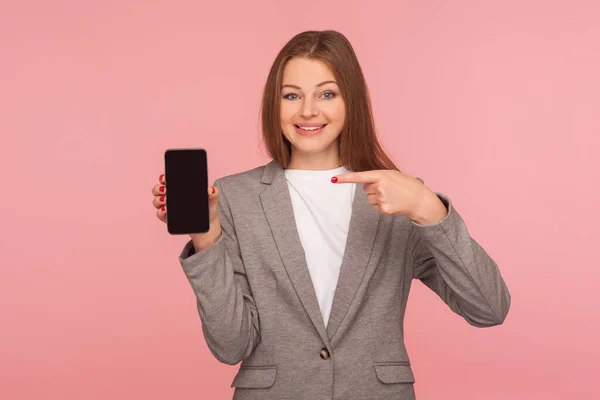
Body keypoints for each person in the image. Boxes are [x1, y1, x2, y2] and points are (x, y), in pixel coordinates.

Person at [151, 30, 510, 400]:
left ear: (350, 102)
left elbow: (488, 307)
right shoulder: (235, 197)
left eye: (327, 94)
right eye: (292, 95)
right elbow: (231, 346)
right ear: (274, 105)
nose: (308, 111)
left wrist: (428, 208)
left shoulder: (399, 196)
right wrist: (207, 235)